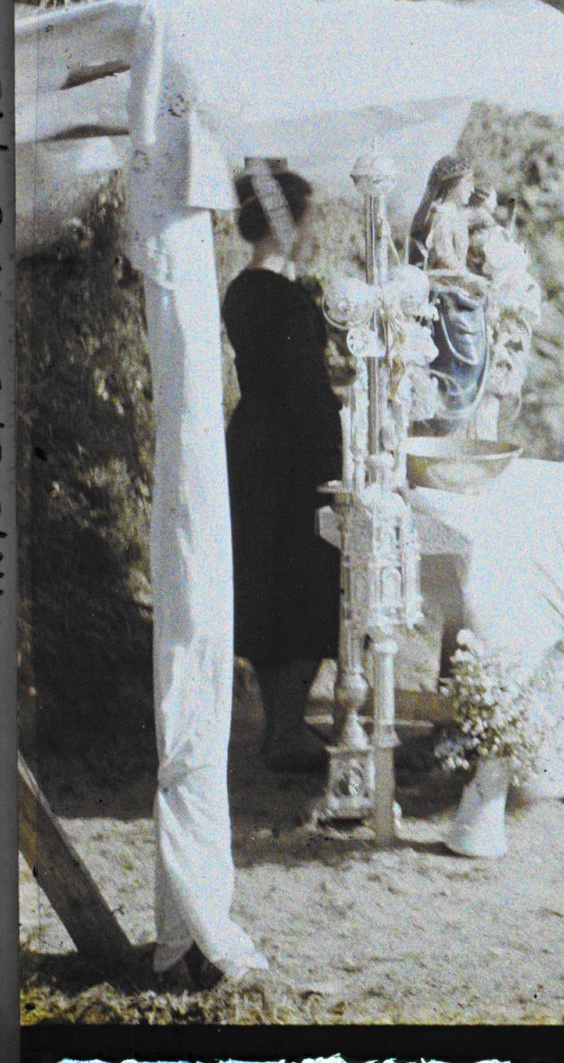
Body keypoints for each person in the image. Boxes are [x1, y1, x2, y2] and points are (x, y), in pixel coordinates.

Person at [223, 166, 342, 773]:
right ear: (286, 224)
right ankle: (287, 731)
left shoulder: (241, 288)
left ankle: (281, 725)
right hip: (293, 448)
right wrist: (337, 434)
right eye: (308, 218)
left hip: (253, 438)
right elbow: (305, 388)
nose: (313, 229)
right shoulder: (285, 297)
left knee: (267, 576)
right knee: (304, 574)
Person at [408, 155, 493, 433]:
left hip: (458, 295)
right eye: (467, 183)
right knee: (461, 363)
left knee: (470, 362)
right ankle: (446, 424)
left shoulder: (453, 213)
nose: (471, 188)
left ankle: (455, 424)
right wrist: (471, 279)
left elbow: (479, 215)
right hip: (447, 300)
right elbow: (444, 261)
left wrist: (489, 202)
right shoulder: (441, 215)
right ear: (452, 184)